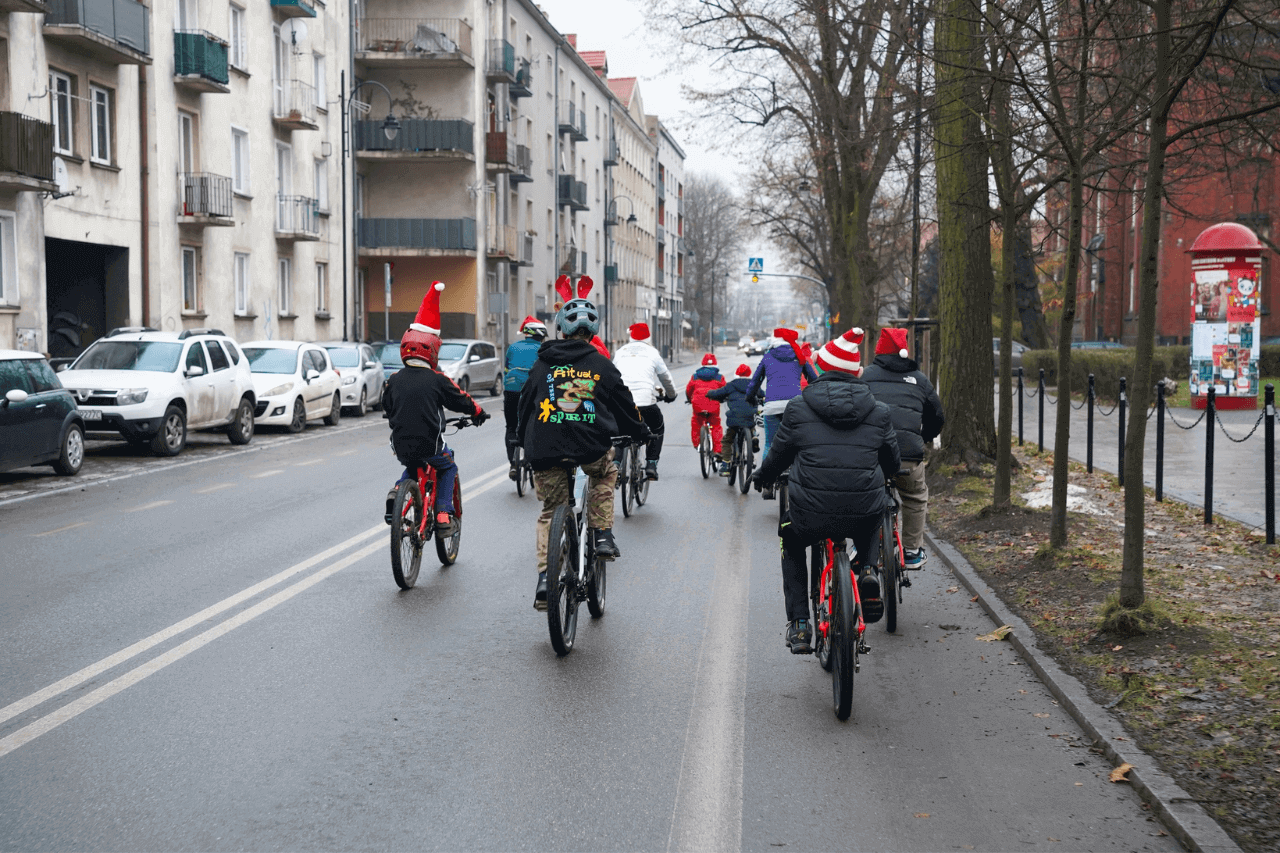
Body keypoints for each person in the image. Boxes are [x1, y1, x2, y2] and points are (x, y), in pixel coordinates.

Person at [751, 327, 900, 653]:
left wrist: (762, 478)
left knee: (789, 537)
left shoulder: (798, 408)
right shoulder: (880, 411)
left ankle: (801, 623)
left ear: (820, 367)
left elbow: (777, 457)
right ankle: (869, 572)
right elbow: (893, 465)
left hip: (810, 513)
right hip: (862, 512)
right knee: (876, 510)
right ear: (858, 372)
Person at [516, 275, 648, 610]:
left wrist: (520, 438)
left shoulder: (541, 364)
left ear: (560, 329)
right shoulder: (601, 364)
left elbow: (524, 406)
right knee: (605, 473)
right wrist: (640, 432)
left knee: (550, 511)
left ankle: (546, 579)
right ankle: (601, 534)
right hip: (591, 446)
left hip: (545, 449)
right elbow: (625, 405)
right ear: (593, 333)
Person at [383, 282, 491, 532]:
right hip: (429, 442)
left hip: (400, 443)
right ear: (432, 350)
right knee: (448, 464)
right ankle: (443, 513)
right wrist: (477, 412)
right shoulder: (437, 379)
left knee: (412, 464)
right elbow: (460, 398)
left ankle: (398, 490)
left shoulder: (393, 380)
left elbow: (387, 407)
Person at [861, 327, 945, 569]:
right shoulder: (920, 379)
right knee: (916, 497)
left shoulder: (865, 377)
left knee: (864, 495)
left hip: (872, 456)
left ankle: (862, 544)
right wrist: (923, 438)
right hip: (907, 456)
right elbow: (937, 416)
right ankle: (911, 551)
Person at [746, 327, 818, 498]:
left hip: (771, 406)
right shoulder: (798, 355)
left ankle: (767, 483)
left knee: (770, 443)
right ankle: (800, 482)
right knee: (798, 443)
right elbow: (814, 379)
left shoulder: (768, 356)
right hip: (795, 407)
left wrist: (750, 397)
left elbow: (755, 381)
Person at [613, 322, 676, 480]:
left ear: (631, 337)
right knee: (657, 427)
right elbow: (665, 378)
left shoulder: (620, 352)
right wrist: (671, 394)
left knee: (619, 431)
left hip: (623, 402)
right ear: (648, 337)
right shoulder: (653, 353)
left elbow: (612, 375)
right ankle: (651, 464)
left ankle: (616, 463)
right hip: (645, 403)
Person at [502, 316, 547, 479]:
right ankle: (532, 458)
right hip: (533, 391)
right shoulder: (542, 349)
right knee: (537, 423)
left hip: (511, 389)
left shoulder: (513, 347)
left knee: (511, 426)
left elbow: (506, 369)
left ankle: (513, 464)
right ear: (541, 336)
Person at [707, 363, 758, 475]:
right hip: (749, 417)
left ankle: (725, 465)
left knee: (727, 440)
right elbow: (762, 394)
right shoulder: (754, 385)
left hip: (735, 418)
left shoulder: (731, 385)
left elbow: (718, 393)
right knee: (751, 423)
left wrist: (709, 393)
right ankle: (754, 435)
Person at [686, 353, 726, 462]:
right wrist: (722, 399)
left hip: (698, 405)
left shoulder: (695, 376)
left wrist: (689, 399)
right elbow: (724, 390)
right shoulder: (719, 377)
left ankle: (697, 444)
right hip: (713, 405)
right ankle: (717, 450)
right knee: (715, 425)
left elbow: (689, 389)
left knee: (696, 422)